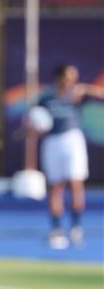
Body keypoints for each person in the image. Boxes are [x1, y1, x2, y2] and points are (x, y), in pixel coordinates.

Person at [37, 64, 104, 249]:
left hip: (73, 140)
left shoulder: (77, 95)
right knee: (56, 186)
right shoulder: (46, 98)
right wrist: (34, 126)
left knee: (76, 184)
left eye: (74, 77)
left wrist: (86, 89)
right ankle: (56, 230)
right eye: (68, 77)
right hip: (52, 142)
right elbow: (35, 120)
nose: (71, 81)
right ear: (58, 78)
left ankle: (76, 228)